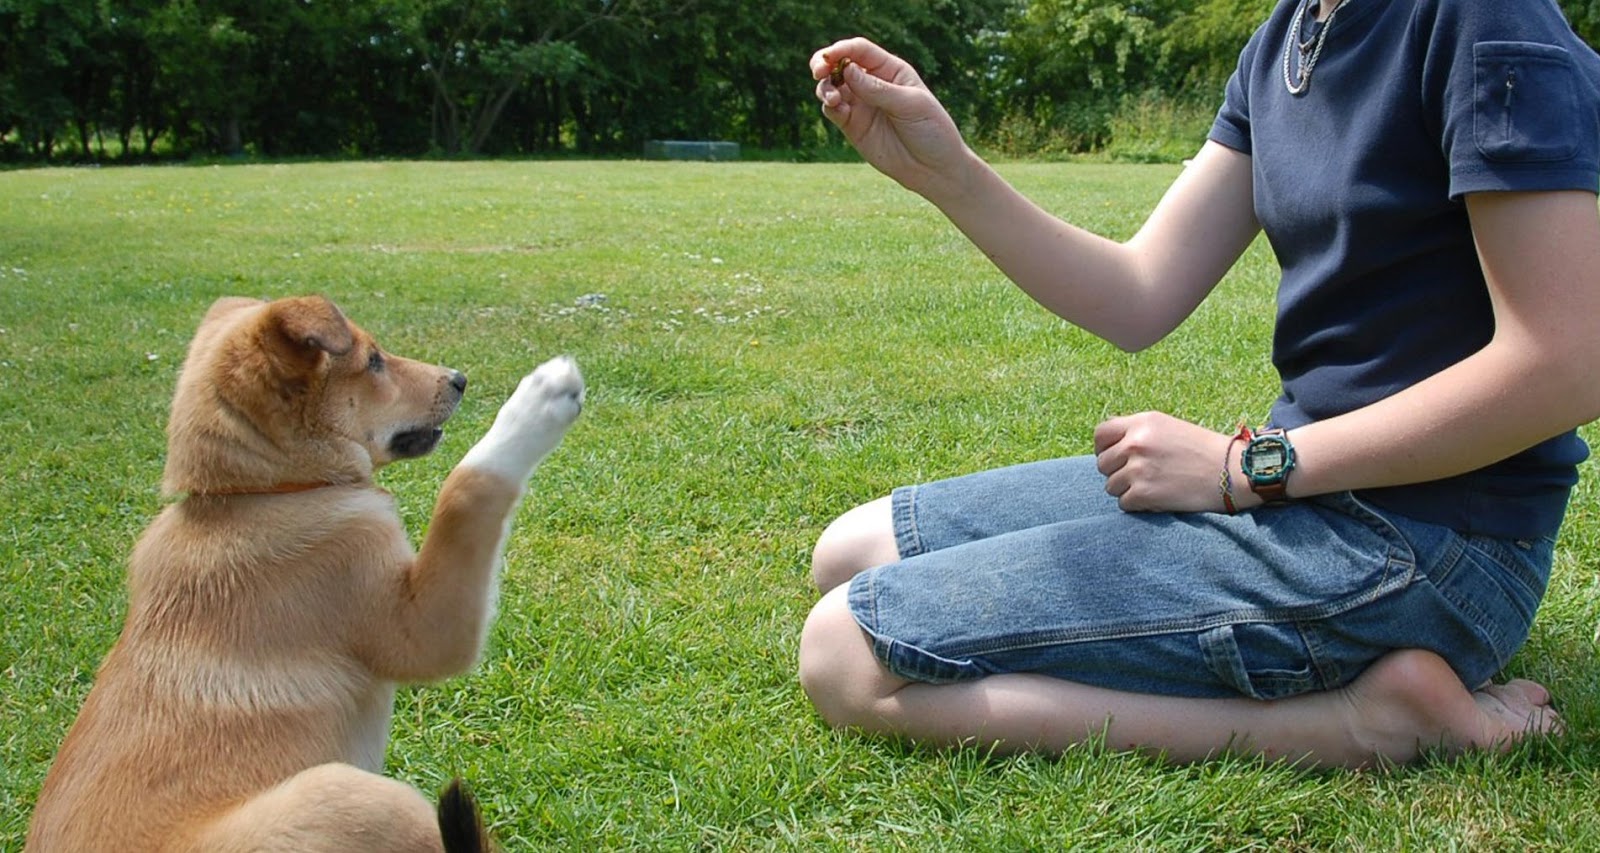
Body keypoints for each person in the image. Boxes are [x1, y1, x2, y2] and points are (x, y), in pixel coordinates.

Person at [800, 0, 1600, 768]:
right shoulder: (1290, 36)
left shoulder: (1481, 16)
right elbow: (1137, 292)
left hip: (1434, 547)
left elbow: (1571, 360)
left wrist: (1244, 469)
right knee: (850, 550)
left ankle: (1363, 724)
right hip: (1317, 500)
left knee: (846, 655)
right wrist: (949, 173)